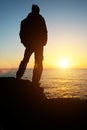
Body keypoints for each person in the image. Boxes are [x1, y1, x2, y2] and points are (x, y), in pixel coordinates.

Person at [16, 4, 48, 83]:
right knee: (33, 61)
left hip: (36, 45)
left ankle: (30, 80)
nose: (38, 12)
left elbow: (45, 31)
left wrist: (44, 42)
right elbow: (45, 31)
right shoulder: (28, 20)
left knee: (34, 62)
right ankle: (32, 81)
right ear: (35, 10)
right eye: (37, 10)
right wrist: (24, 42)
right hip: (33, 45)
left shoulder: (30, 20)